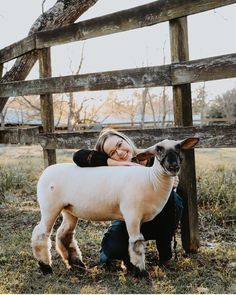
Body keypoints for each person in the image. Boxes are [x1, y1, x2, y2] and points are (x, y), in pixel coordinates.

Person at [73, 128, 183, 268]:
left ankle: (165, 255)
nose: (119, 152)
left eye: (119, 144)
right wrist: (117, 164)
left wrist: (170, 185)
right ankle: (119, 253)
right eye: (112, 152)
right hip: (127, 220)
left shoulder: (152, 159)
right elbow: (78, 156)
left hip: (158, 219)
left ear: (126, 140)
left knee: (172, 199)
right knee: (113, 250)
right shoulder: (113, 170)